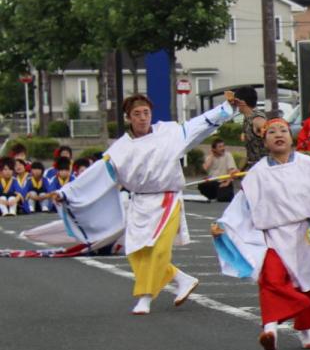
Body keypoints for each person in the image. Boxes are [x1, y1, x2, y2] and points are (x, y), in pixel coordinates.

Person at [52, 92, 238, 315]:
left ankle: (145, 297)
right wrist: (66, 193)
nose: (142, 118)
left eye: (146, 113)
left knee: (159, 250)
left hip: (167, 199)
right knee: (136, 251)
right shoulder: (120, 148)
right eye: (137, 114)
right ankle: (181, 278)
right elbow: (97, 173)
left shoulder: (169, 133)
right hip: (139, 202)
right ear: (129, 117)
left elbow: (199, 124)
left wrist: (225, 108)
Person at [211, 117, 310, 350]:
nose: (278, 135)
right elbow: (242, 205)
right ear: (265, 141)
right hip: (272, 236)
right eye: (272, 132)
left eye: (283, 130)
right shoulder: (257, 173)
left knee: (309, 283)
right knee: (271, 278)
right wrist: (223, 225)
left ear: (291, 137)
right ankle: (270, 328)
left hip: (305, 234)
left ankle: (305, 330)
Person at [233, 86, 267, 170]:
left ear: (242, 102)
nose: (234, 105)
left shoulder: (258, 120)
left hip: (264, 169)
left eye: (235, 102)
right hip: (253, 167)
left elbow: (272, 143)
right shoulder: (247, 118)